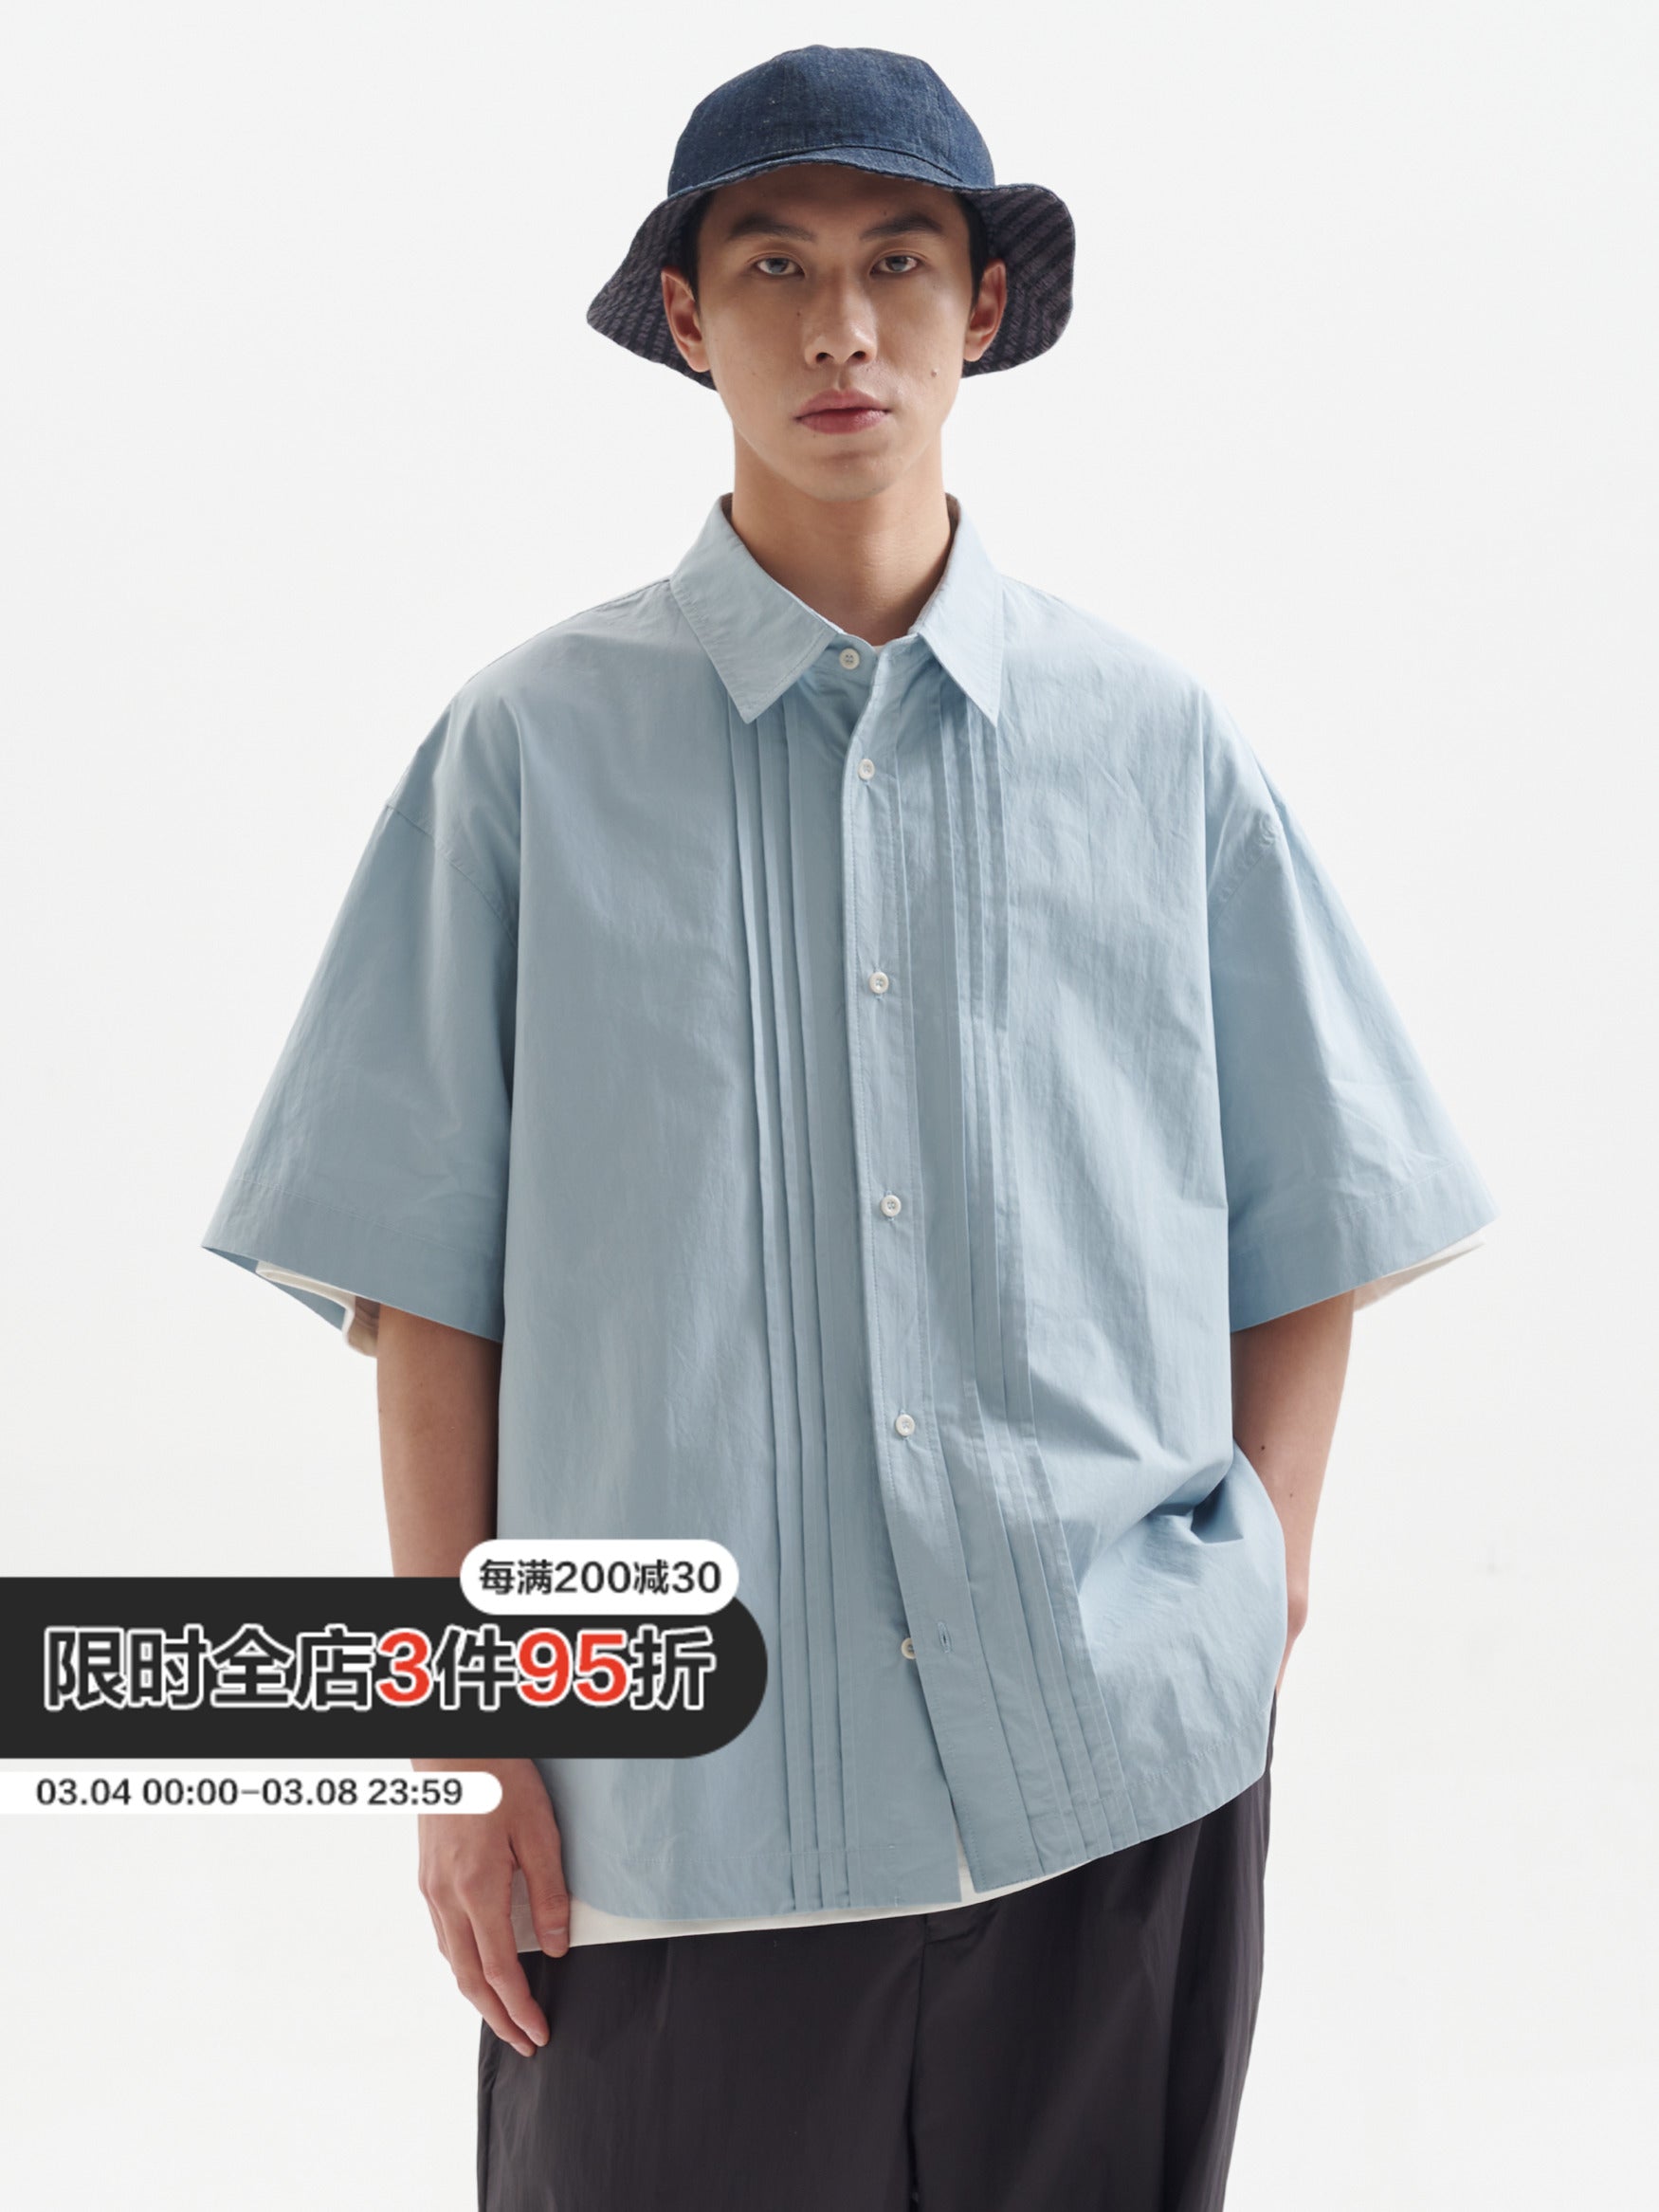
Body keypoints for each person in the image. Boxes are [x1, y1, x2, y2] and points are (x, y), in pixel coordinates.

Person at [201, 43, 1498, 2212]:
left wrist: (1250, 1592)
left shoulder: (1151, 744)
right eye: (773, 268)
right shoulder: (524, 756)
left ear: (978, 311)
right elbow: (424, 1293)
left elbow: (1314, 1211)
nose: (838, 329)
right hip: (678, 1816)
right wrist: (460, 1724)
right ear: (685, 318)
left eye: (897, 264)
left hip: (1115, 1780)